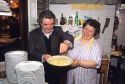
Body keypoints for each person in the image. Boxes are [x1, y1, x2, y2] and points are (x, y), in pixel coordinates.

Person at [28, 10, 74, 84]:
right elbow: (31, 51)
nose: (49, 27)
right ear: (40, 23)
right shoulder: (33, 34)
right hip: (40, 69)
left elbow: (69, 37)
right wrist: (43, 56)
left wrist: (67, 42)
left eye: (51, 24)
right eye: (46, 24)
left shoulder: (58, 30)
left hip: (55, 69)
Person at [67, 19, 102, 84]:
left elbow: (95, 63)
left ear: (95, 33)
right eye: (86, 29)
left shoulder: (95, 46)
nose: (86, 32)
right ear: (83, 28)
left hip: (85, 80)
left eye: (90, 31)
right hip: (71, 77)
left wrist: (79, 63)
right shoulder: (74, 40)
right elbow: (68, 54)